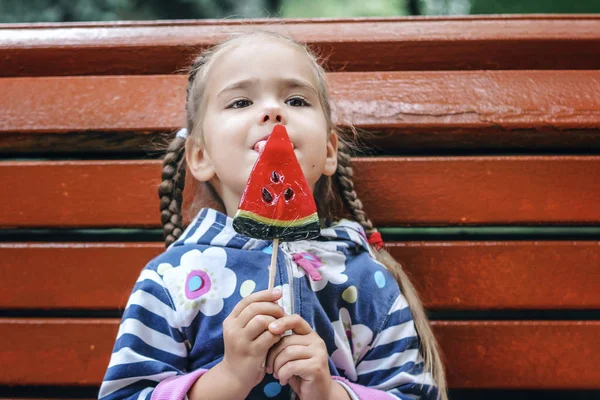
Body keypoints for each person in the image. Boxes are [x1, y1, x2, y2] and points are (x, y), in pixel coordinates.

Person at [99, 30, 447, 400]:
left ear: (329, 150)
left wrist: (330, 394)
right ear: (200, 156)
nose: (272, 111)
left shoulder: (367, 278)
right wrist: (227, 380)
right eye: (240, 102)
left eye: (296, 99)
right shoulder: (170, 280)